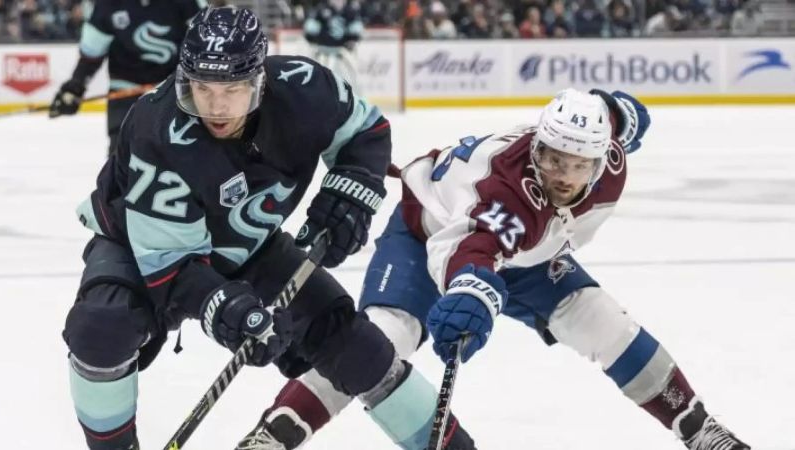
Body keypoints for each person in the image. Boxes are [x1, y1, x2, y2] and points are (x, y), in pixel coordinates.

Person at [239, 89, 752, 450]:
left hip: (527, 255)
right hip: (427, 235)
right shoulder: (511, 190)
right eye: (550, 158)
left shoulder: (609, 157)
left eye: (576, 165)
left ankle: (697, 428)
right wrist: (470, 296)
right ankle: (278, 432)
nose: (560, 174)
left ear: (602, 161)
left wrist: (620, 109)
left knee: (603, 321)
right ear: (536, 146)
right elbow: (474, 250)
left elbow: (612, 112)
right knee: (379, 342)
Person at [63, 6, 408, 450]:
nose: (216, 105)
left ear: (258, 81)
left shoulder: (304, 88)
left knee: (359, 347)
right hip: (137, 245)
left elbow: (365, 132)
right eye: (202, 89)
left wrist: (353, 192)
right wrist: (224, 308)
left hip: (251, 246)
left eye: (232, 89)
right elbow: (174, 268)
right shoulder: (157, 130)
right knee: (102, 325)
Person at [49, 0, 207, 152]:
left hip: (173, 94)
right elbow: (91, 55)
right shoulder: (109, 4)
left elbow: (205, 44)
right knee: (121, 155)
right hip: (124, 95)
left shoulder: (188, 2)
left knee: (183, 156)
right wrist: (75, 86)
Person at [303, 0, 364, 90]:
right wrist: (315, 38)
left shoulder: (350, 11)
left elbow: (357, 31)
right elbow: (309, 29)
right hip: (323, 51)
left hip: (342, 51)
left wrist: (353, 39)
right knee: (319, 77)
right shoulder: (321, 9)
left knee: (353, 77)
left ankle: (357, 99)